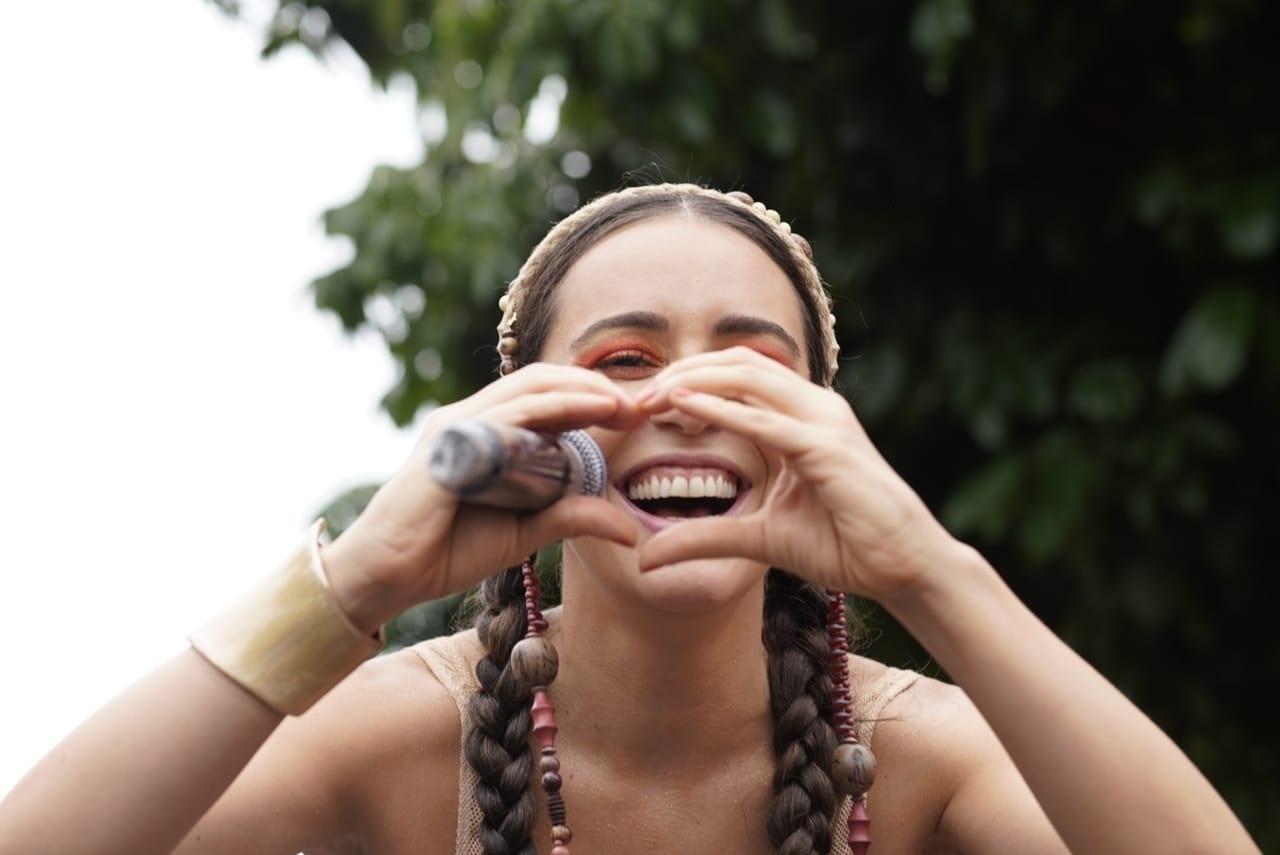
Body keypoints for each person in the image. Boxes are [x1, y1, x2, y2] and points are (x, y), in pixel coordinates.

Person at [0, 183, 1258, 855]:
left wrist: (930, 575)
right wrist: (357, 584)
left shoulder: (925, 754)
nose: (681, 400)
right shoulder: (396, 730)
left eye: (748, 365)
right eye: (618, 360)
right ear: (520, 418)